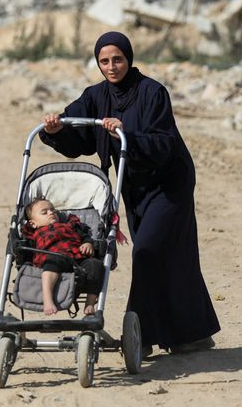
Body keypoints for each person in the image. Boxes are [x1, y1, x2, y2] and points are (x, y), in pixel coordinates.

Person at [39, 31, 220, 356]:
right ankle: (192, 334)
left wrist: (127, 133)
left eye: (117, 59)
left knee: (147, 251)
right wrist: (56, 129)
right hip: (134, 186)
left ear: (129, 58)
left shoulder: (152, 92)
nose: (111, 66)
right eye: (104, 61)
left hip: (168, 182)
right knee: (170, 256)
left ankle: (142, 336)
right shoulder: (95, 95)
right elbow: (77, 137)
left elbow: (164, 142)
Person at [23, 198, 104, 316]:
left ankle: (90, 302)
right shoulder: (33, 234)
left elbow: (85, 236)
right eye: (44, 212)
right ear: (33, 223)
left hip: (77, 258)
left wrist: (88, 243)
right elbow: (26, 249)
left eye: (53, 210)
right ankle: (48, 300)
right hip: (52, 258)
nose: (51, 213)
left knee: (96, 265)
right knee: (53, 261)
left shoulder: (70, 225)